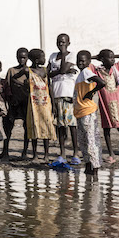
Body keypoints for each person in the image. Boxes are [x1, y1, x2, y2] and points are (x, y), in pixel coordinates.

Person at [91, 50, 119, 164]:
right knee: (106, 129)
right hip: (105, 103)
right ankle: (111, 154)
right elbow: (87, 62)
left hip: (118, 103)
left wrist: (114, 55)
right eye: (109, 58)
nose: (113, 59)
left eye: (113, 57)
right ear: (102, 60)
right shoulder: (98, 71)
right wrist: (96, 57)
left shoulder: (117, 68)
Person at [46, 34, 78, 162]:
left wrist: (64, 57)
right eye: (59, 42)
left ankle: (75, 152)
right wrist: (62, 70)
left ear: (68, 43)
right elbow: (49, 73)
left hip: (68, 93)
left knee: (72, 124)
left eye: (63, 42)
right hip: (56, 93)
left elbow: (63, 69)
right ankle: (63, 152)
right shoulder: (52, 56)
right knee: (60, 125)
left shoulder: (71, 55)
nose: (61, 44)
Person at [73, 51, 105, 177]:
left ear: (88, 62)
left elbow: (101, 82)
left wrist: (91, 93)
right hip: (81, 112)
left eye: (83, 61)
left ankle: (94, 168)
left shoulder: (86, 72)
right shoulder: (81, 74)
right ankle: (88, 166)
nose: (80, 63)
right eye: (78, 60)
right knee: (84, 141)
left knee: (91, 141)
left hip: (88, 112)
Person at [24, 49, 56, 162]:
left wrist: (54, 103)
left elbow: (50, 87)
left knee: (46, 127)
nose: (45, 59)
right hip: (33, 105)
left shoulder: (45, 71)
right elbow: (15, 78)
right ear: (37, 60)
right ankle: (35, 154)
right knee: (34, 128)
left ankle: (46, 154)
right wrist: (24, 86)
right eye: (43, 57)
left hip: (46, 104)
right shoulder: (28, 71)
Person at [2, 48, 30, 162]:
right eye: (19, 57)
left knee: (27, 128)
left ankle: (24, 152)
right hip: (14, 103)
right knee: (8, 127)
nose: (21, 60)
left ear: (27, 58)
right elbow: (7, 86)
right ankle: (5, 151)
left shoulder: (30, 72)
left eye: (24, 57)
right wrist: (9, 101)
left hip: (26, 102)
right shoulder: (11, 70)